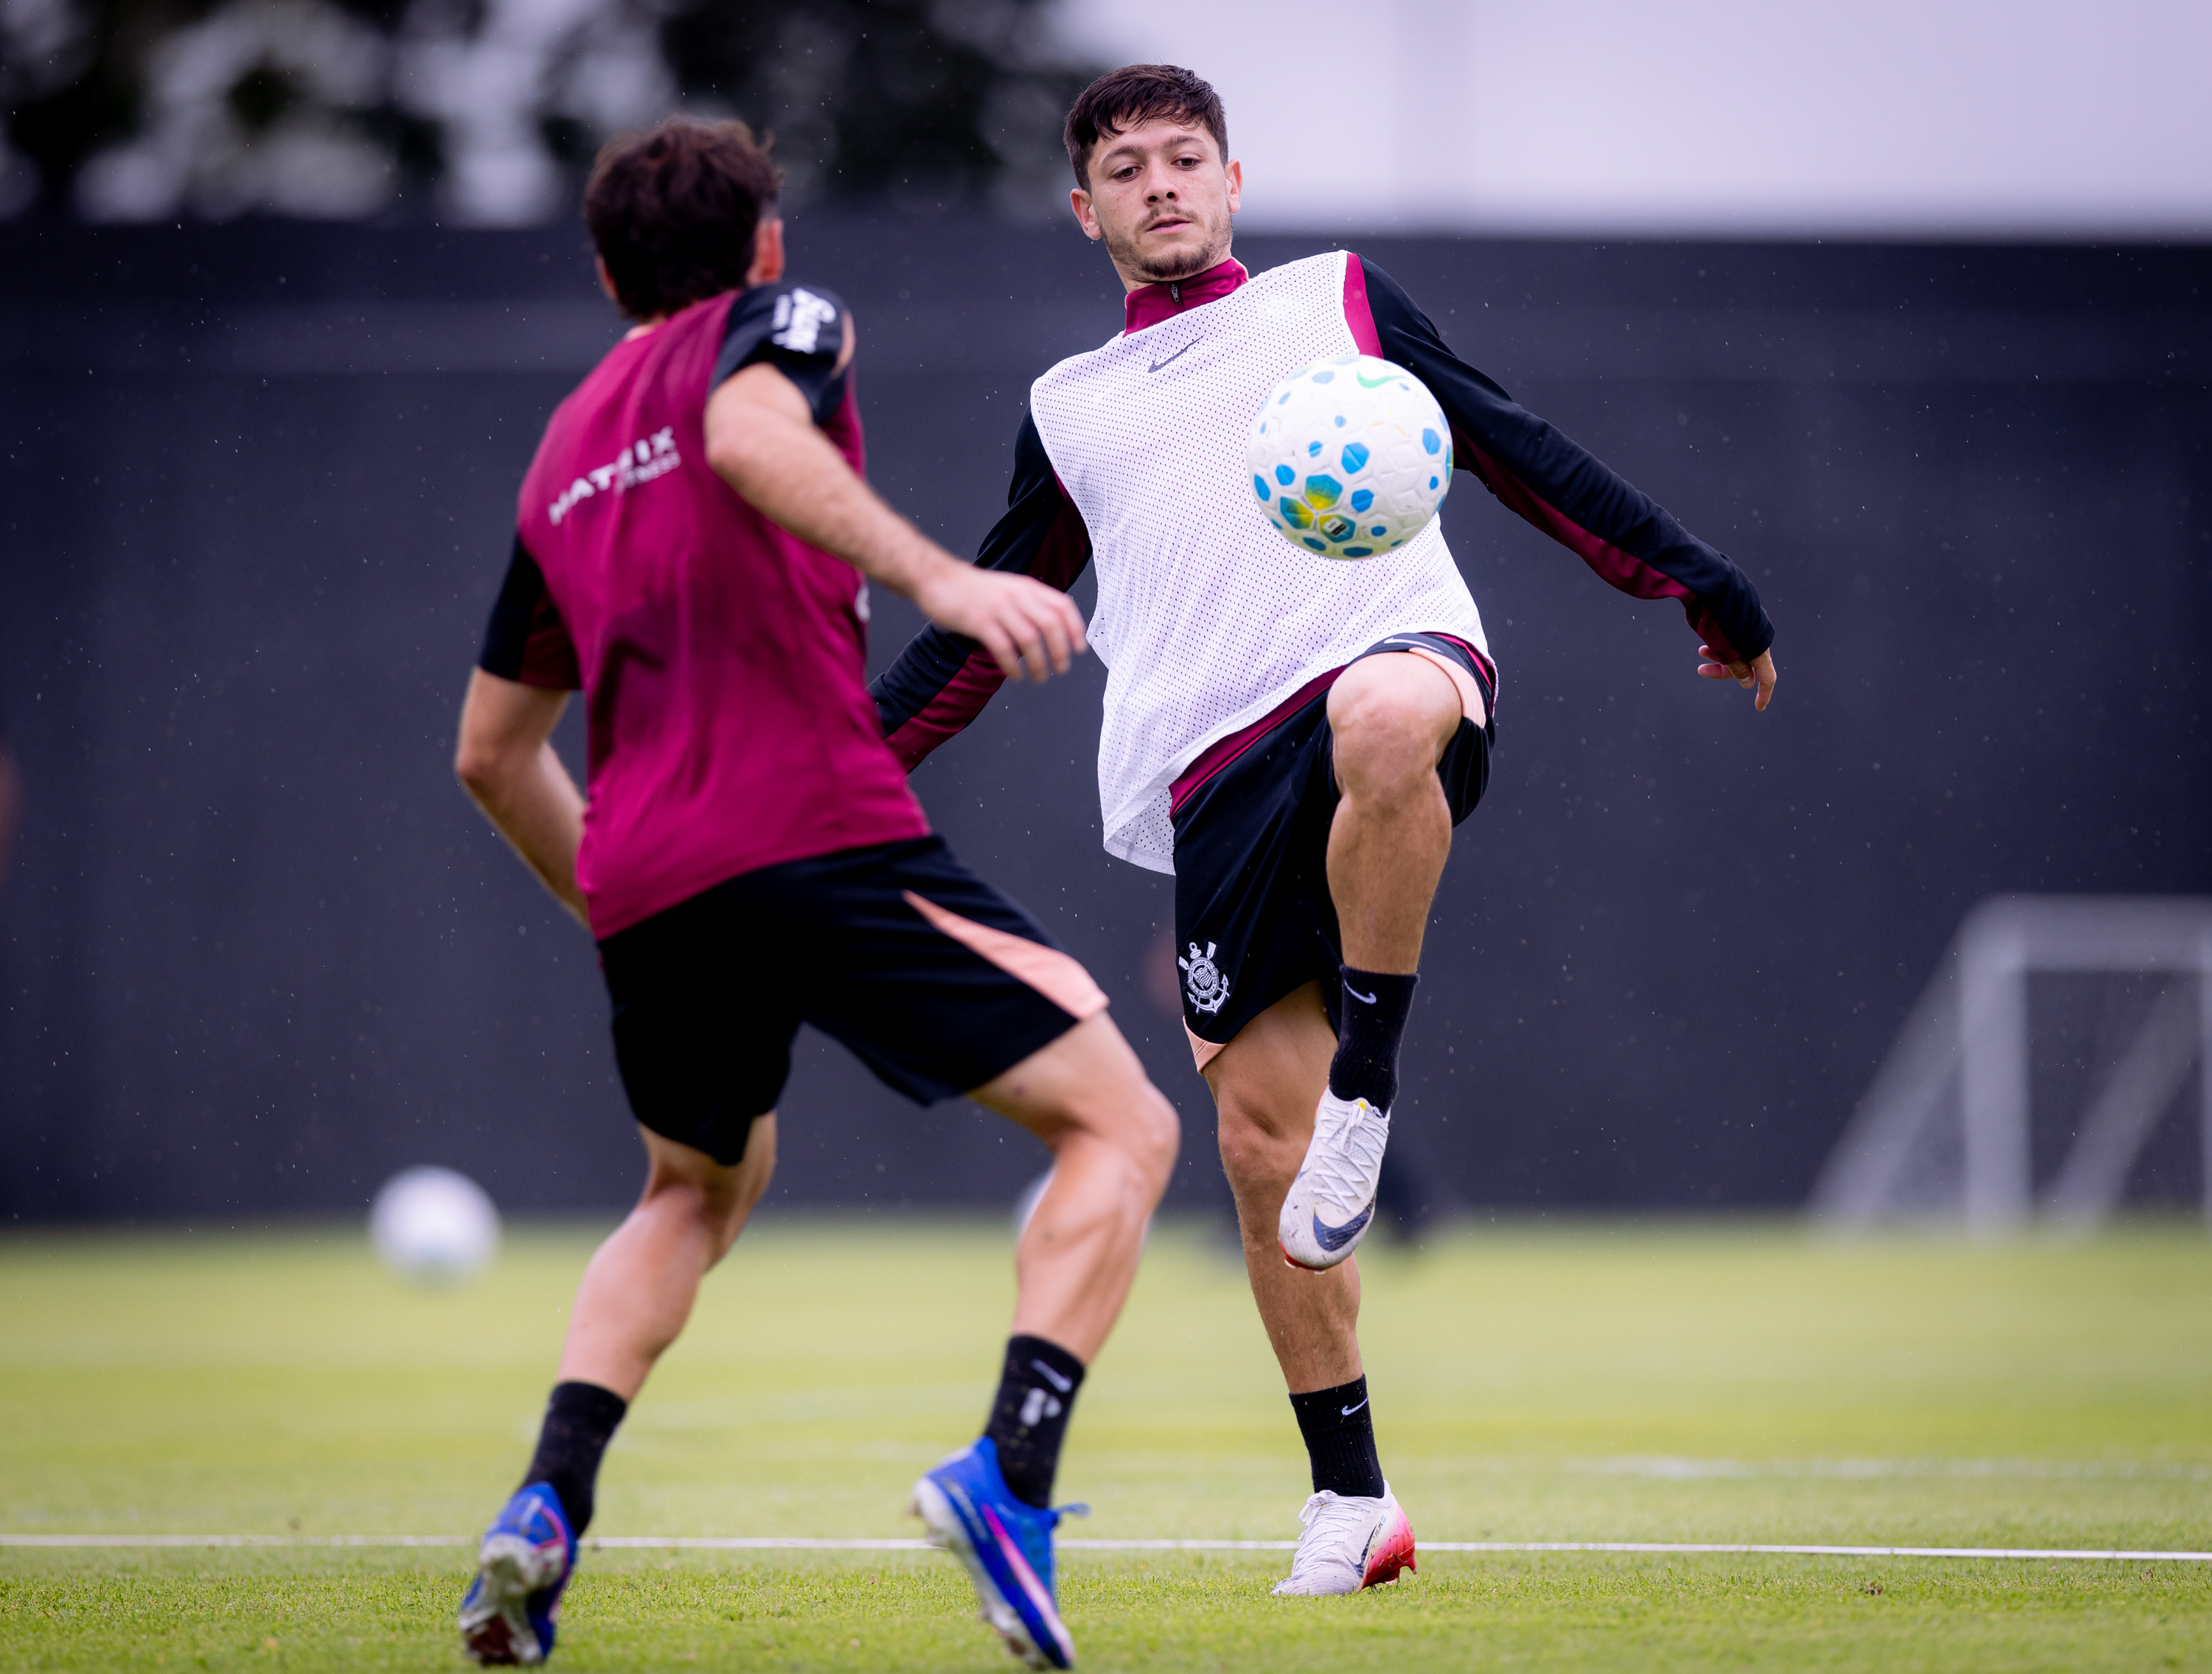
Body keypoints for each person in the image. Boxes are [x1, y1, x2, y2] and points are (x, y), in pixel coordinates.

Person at [871, 65, 1778, 1597]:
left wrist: (1699, 578)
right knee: (1255, 1149)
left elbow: (1513, 445)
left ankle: (1373, 1078)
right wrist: (832, 765)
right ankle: (1351, 1500)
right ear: (1084, 210)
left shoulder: (1335, 300)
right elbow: (979, 626)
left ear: (1233, 181)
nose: (1162, 184)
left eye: (1186, 158)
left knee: (1381, 716)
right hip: (1208, 767)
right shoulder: (1070, 408)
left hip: (1395, 658)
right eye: (1127, 169)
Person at [451, 116, 1178, 1671]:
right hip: (807, 824)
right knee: (1125, 1126)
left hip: (649, 876)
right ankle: (1009, 1480)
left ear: (605, 275)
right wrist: (945, 578)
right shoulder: (779, 322)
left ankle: (546, 1499)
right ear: (766, 246)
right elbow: (743, 433)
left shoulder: (562, 454)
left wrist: (620, 897)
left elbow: (491, 754)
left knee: (692, 1191)